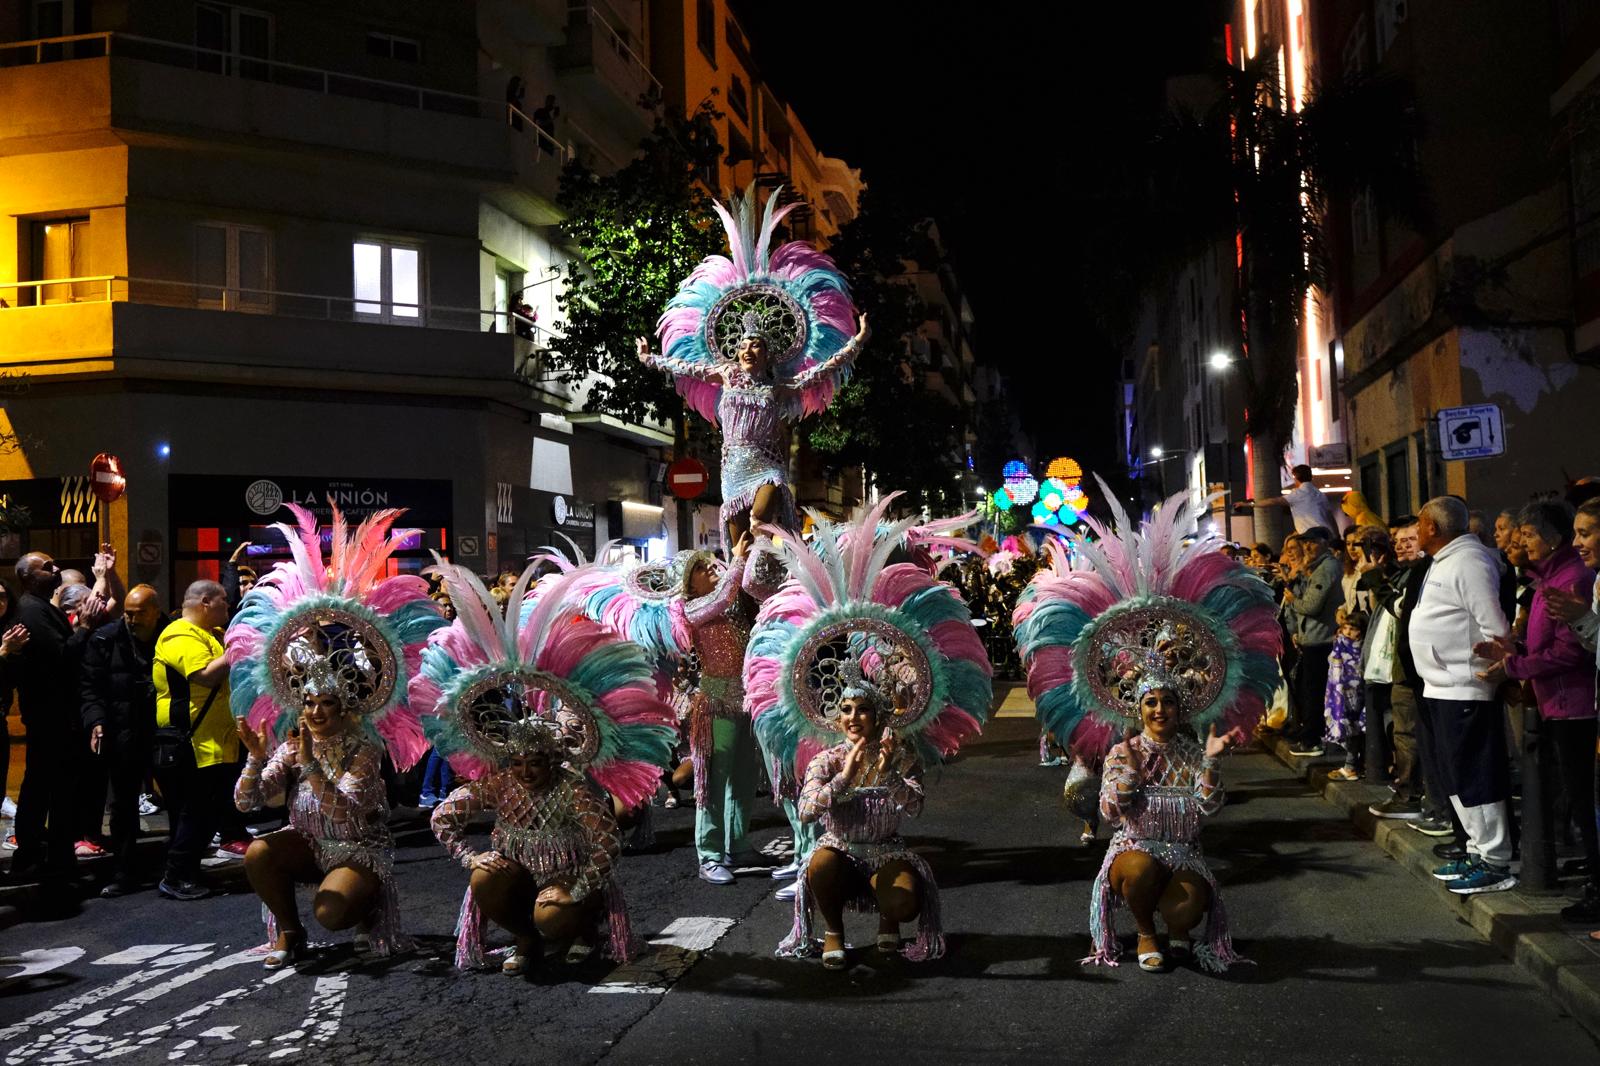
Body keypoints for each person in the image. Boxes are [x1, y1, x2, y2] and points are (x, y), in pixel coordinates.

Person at [1013, 483, 1279, 973]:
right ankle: (1144, 931)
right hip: (1136, 845)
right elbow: (1114, 810)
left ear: (1182, 708)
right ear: (1138, 707)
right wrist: (1129, 769)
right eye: (1151, 703)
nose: (1159, 711)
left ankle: (1177, 928)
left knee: (1189, 902)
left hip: (1183, 849)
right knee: (1132, 869)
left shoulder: (1193, 750)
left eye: (1168, 703)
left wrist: (1214, 764)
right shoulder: (1122, 750)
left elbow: (1207, 810)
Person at [746, 494, 993, 968]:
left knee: (903, 897)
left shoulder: (897, 749)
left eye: (864, 712)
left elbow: (915, 806)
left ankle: (887, 921)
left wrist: (889, 769)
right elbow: (809, 807)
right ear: (837, 719)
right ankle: (834, 931)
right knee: (819, 863)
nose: (856, 719)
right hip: (839, 848)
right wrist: (848, 772)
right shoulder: (827, 758)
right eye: (848, 712)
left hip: (885, 852)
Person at [414, 559, 674, 973]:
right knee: (486, 880)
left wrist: (578, 891)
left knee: (554, 915)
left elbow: (607, 843)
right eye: (517, 763)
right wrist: (471, 858)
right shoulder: (499, 785)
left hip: (568, 880)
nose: (525, 771)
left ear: (550, 761)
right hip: (520, 877)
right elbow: (444, 816)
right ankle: (525, 938)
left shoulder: (571, 789)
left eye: (534, 762)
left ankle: (577, 926)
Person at [225, 503, 447, 966]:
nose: (316, 712)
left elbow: (345, 813)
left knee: (333, 911)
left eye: (326, 705)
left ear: (344, 709)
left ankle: (364, 906)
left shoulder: (363, 747)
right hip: (307, 842)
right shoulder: (292, 743)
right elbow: (250, 804)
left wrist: (307, 763)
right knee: (259, 854)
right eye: (308, 704)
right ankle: (289, 933)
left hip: (356, 848)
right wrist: (253, 758)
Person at [639, 183, 868, 548]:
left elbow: (820, 371)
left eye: (756, 346)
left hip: (767, 467)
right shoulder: (725, 374)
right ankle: (746, 598)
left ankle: (781, 563)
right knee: (740, 548)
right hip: (731, 470)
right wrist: (650, 357)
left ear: (767, 354)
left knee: (761, 519)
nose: (748, 350)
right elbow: (682, 367)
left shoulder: (778, 386)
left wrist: (856, 342)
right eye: (744, 345)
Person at [1478, 501, 1597, 917]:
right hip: (1557, 701)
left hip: (1577, 703)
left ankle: (1596, 887)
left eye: (1527, 534)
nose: (1519, 542)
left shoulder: (1573, 579)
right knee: (1577, 795)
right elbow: (1550, 643)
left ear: (1552, 538)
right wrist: (1513, 650)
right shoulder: (1550, 578)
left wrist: (1514, 666)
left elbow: (1570, 654)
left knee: (1584, 797)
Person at [1410, 496, 1516, 894]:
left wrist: (1501, 666)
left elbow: (1494, 623)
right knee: (1456, 774)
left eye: (1420, 524)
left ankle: (1495, 860)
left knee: (1474, 773)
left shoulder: (1469, 561)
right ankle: (1477, 849)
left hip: (1465, 685)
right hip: (1441, 684)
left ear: (1434, 527)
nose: (1416, 531)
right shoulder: (1446, 560)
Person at [673, 536, 763, 884]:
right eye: (699, 567)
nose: (709, 567)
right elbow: (724, 594)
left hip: (746, 701)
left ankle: (737, 845)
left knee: (743, 777)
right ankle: (709, 854)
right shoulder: (690, 608)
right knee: (712, 780)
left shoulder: (728, 604)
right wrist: (737, 560)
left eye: (709, 562)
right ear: (687, 582)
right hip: (714, 704)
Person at [79, 584, 168, 897]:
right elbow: (90, 686)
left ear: (156, 611)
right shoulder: (105, 639)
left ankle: (175, 866)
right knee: (123, 805)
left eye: (140, 613)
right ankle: (124, 869)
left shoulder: (171, 635)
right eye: (128, 613)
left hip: (163, 732)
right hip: (123, 733)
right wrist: (97, 721)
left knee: (177, 797)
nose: (132, 619)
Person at [151, 580, 236, 901]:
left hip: (211, 742)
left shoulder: (209, 636)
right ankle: (176, 875)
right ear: (205, 601)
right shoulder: (179, 635)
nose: (227, 607)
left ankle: (188, 871)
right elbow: (205, 675)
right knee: (194, 811)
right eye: (223, 601)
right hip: (189, 742)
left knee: (206, 811)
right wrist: (239, 647)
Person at [8, 552, 79, 884]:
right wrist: (86, 629)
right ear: (27, 576)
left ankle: (38, 853)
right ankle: (47, 858)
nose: (56, 569)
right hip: (51, 716)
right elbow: (63, 657)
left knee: (43, 788)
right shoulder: (32, 612)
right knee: (51, 790)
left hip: (50, 714)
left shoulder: (38, 607)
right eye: (47, 567)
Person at [1285, 526, 1343, 757]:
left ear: (1325, 543)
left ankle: (1312, 739)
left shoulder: (1326, 568)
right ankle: (1310, 734)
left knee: (1314, 691)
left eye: (1313, 542)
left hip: (1321, 639)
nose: (1308, 547)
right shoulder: (1314, 568)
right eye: (1305, 543)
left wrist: (1292, 599)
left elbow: (1311, 605)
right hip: (1312, 637)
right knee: (1309, 689)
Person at [1248, 464, 1343, 534]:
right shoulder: (1320, 494)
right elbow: (1330, 516)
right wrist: (1337, 534)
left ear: (1296, 477)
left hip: (1311, 534)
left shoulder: (1297, 494)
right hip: (1327, 532)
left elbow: (1273, 501)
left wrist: (1249, 504)